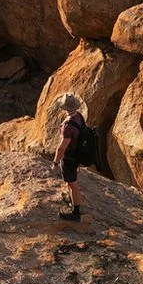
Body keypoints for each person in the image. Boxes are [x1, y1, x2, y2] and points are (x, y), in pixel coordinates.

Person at [50, 91, 96, 220]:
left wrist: (55, 163)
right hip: (76, 154)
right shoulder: (79, 116)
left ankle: (75, 212)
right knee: (70, 181)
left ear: (64, 108)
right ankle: (72, 200)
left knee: (72, 182)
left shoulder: (68, 126)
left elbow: (62, 147)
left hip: (69, 157)